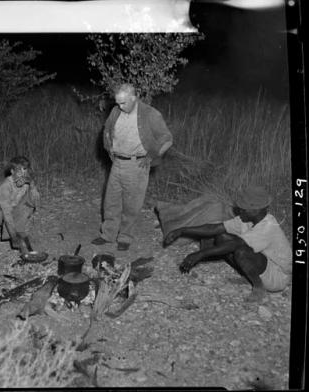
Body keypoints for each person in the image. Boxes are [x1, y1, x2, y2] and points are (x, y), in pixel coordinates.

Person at [163, 185, 292, 302]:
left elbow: (236, 244)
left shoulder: (268, 226)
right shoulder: (247, 219)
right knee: (221, 237)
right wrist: (182, 230)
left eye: (242, 209)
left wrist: (200, 254)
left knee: (241, 250)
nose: (239, 211)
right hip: (263, 264)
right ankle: (249, 275)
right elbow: (215, 228)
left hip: (277, 276)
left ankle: (259, 287)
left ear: (255, 210)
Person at [91, 83, 173, 251]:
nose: (119, 107)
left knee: (131, 204)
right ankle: (108, 235)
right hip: (117, 163)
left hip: (137, 165)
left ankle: (125, 237)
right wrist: (109, 149)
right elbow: (107, 131)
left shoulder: (150, 114)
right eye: (117, 103)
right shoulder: (116, 111)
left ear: (134, 98)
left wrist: (153, 155)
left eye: (123, 103)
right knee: (111, 201)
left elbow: (167, 139)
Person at [0, 156, 40, 252]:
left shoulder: (27, 182)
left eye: (25, 171)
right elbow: (7, 214)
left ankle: (19, 232)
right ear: (12, 171)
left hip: (11, 208)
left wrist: (32, 185)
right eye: (19, 172)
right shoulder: (4, 186)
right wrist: (13, 237)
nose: (23, 176)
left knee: (28, 208)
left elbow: (35, 203)